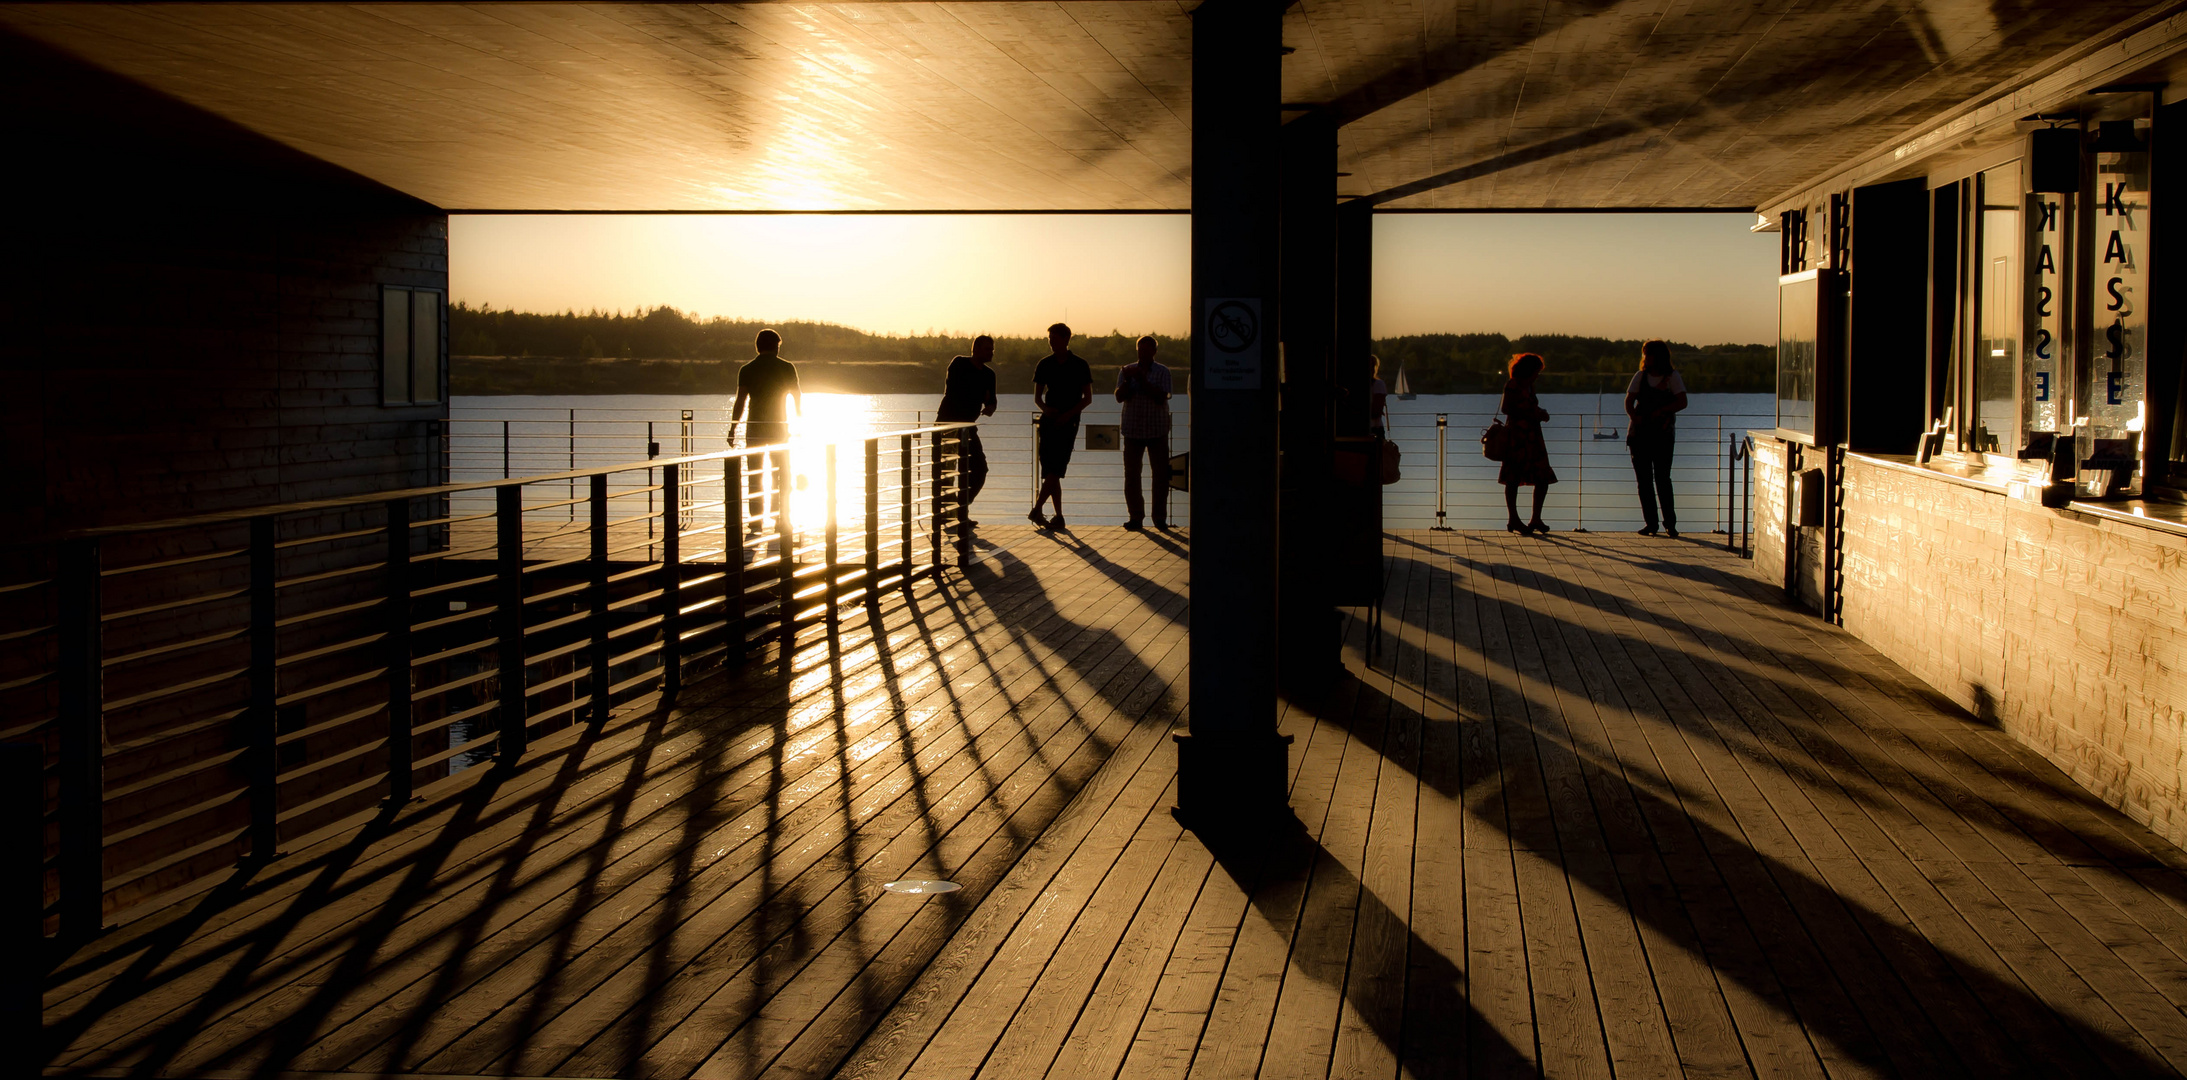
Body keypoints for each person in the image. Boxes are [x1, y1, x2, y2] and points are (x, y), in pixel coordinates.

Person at [730, 328, 802, 532]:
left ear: (758, 346)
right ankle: (780, 518)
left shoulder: (747, 369)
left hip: (754, 429)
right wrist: (799, 420)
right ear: (776, 347)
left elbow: (740, 402)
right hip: (780, 428)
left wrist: (732, 427)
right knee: (782, 474)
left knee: (755, 474)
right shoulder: (787, 368)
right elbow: (797, 396)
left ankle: (756, 521)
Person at [1029, 322, 1093, 529]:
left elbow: (1087, 398)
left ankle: (1037, 509)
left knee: (1056, 467)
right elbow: (1037, 397)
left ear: (1066, 339)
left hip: (1069, 422)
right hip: (1049, 420)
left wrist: (1069, 415)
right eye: (1049, 339)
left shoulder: (1080, 365)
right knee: (1050, 470)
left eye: (1055, 339)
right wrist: (1046, 409)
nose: (1051, 343)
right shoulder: (1044, 364)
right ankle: (1059, 516)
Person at [1625, 338, 1688, 537]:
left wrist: (1661, 411)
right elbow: (1629, 400)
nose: (1646, 358)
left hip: (1662, 434)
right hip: (1640, 434)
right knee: (1643, 481)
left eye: (1649, 354)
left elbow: (1682, 401)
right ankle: (1651, 523)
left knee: (1662, 479)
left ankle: (1670, 523)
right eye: (1645, 354)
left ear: (1658, 356)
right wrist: (1634, 417)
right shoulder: (1640, 376)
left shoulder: (1672, 377)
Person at [936, 335, 999, 526]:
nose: (991, 353)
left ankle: (960, 507)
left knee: (980, 469)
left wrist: (990, 407)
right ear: (976, 348)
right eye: (988, 349)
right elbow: (955, 391)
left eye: (992, 349)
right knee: (946, 471)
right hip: (948, 425)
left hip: (969, 428)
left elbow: (992, 400)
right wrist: (982, 395)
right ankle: (945, 514)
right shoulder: (959, 364)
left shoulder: (989, 375)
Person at [1115, 335, 1172, 529]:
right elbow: (1119, 397)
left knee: (1161, 475)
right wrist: (1127, 382)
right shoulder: (1126, 371)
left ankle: (1160, 519)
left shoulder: (1163, 372)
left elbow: (1161, 397)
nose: (1143, 353)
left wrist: (1142, 380)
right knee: (1131, 475)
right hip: (1132, 430)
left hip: (1157, 429)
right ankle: (1136, 517)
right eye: (1140, 349)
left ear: (1154, 352)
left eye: (1147, 350)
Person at [1499, 352, 1558, 534]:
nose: (1538, 375)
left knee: (1542, 477)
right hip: (1518, 437)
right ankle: (1514, 519)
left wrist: (1541, 413)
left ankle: (1535, 518)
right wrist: (1533, 414)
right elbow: (1506, 408)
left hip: (1533, 437)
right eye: (1536, 371)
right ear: (1529, 370)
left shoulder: (1529, 386)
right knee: (1513, 478)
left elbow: (1530, 406)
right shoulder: (1513, 385)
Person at [1368, 354, 1390, 438]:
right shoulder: (1378, 385)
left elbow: (1376, 411)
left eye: (1373, 365)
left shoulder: (1378, 384)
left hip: (1375, 429)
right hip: (1374, 429)